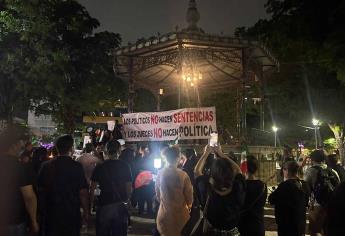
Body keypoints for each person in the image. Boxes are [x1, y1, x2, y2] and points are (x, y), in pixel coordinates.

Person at [38, 135, 89, 236]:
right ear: (71, 148)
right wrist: (86, 212)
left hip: (51, 212)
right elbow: (82, 192)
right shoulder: (76, 166)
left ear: (56, 148)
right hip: (71, 213)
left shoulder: (46, 166)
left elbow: (40, 189)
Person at [194, 145, 245, 236]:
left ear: (212, 174)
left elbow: (197, 171)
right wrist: (222, 154)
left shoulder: (207, 189)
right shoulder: (237, 187)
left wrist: (206, 153)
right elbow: (238, 170)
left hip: (212, 233)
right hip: (232, 233)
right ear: (230, 173)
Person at [0, 125, 39, 236]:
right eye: (21, 143)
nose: (22, 146)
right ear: (14, 145)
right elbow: (29, 197)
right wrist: (34, 221)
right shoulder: (20, 168)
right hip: (13, 220)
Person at [90, 140, 132, 236]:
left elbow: (92, 188)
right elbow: (128, 187)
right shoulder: (125, 166)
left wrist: (90, 206)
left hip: (103, 205)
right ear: (119, 151)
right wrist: (127, 200)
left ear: (106, 151)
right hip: (120, 204)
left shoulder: (100, 167)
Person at [155, 146, 193, 236]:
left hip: (164, 216)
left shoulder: (160, 173)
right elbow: (189, 197)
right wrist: (189, 206)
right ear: (178, 158)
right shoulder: (183, 175)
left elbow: (158, 196)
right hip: (181, 217)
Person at [269, 161, 310, 236]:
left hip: (286, 224)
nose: (283, 171)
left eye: (284, 169)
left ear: (287, 171)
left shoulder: (284, 185)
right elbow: (306, 201)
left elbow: (271, 199)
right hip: (300, 222)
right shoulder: (304, 184)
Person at [304, 150, 340, 236]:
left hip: (317, 205)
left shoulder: (310, 171)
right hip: (332, 206)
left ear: (312, 159)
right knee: (328, 230)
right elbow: (338, 188)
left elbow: (306, 189)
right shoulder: (333, 171)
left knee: (315, 231)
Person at [239, 155, 267, 236]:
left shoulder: (240, 185)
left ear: (244, 168)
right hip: (258, 226)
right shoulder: (263, 186)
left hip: (243, 226)